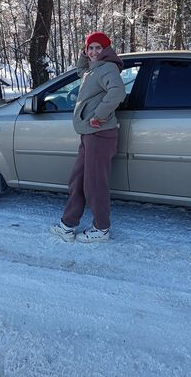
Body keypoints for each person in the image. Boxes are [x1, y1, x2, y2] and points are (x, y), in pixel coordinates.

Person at [50, 32, 126, 243]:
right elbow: (81, 70)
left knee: (94, 184)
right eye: (90, 48)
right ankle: (68, 225)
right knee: (78, 180)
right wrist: (84, 56)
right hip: (89, 135)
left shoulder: (107, 68)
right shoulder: (93, 70)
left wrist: (98, 116)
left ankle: (101, 228)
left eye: (98, 48)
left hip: (100, 134)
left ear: (106, 49)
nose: (93, 52)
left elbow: (117, 92)